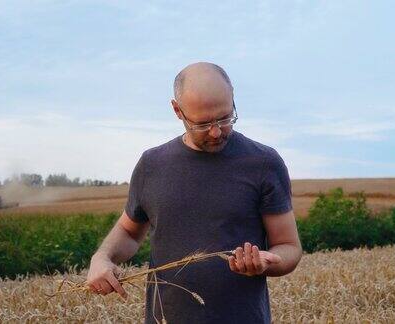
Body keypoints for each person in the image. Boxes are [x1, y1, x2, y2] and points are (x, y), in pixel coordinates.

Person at [86, 62, 302, 323]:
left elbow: (289, 246)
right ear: (177, 111)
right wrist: (102, 257)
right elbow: (129, 232)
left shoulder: (263, 163)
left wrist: (268, 263)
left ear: (233, 98)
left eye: (225, 118)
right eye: (203, 123)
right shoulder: (151, 165)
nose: (216, 132)